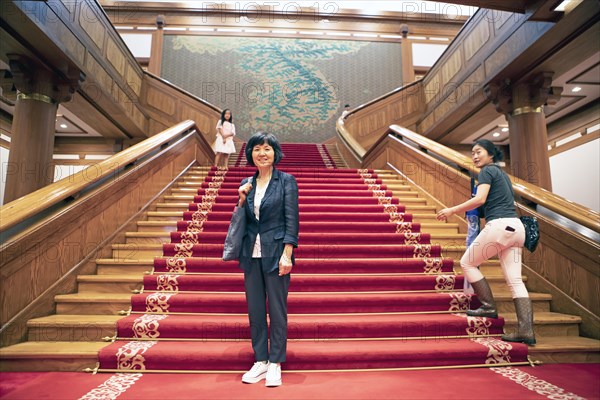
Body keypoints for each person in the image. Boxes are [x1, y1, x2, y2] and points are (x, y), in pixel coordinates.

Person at [436, 139, 535, 346]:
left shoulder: (487, 172)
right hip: (517, 229)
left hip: (499, 226)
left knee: (467, 263)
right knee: (515, 281)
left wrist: (452, 210)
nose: (474, 155)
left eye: (478, 151)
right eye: (472, 152)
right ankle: (526, 331)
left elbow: (480, 200)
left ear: (491, 154)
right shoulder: (502, 175)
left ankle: (489, 306)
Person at [236, 132, 299, 386]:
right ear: (250, 153)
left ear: (275, 153)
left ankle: (275, 362)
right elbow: (243, 222)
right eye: (257, 148)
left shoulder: (286, 181)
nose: (262, 153)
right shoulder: (246, 183)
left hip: (276, 255)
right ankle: (260, 360)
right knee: (255, 311)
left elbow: (291, 221)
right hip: (251, 255)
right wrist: (241, 200)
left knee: (277, 309)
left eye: (267, 148)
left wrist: (288, 254)